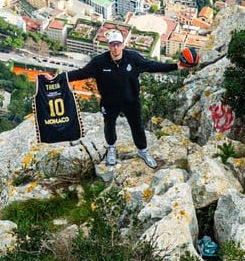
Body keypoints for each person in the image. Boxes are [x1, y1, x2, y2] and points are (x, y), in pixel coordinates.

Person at [44, 29, 186, 168]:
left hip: (131, 101)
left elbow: (152, 66)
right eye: (113, 45)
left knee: (137, 127)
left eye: (118, 44)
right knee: (109, 126)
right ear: (109, 46)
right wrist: (57, 79)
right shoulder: (100, 62)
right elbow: (80, 73)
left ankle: (143, 151)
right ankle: (111, 148)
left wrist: (175, 66)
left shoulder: (133, 58)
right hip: (109, 102)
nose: (116, 48)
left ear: (123, 45)